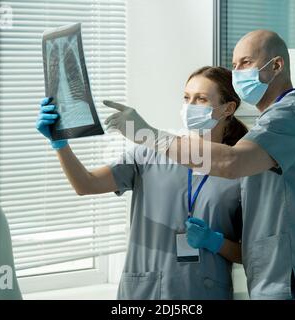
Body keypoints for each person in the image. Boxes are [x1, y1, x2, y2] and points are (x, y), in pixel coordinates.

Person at [103, 30, 295, 300]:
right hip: (281, 279)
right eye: (234, 65)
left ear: (276, 66)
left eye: (245, 63)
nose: (237, 73)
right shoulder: (274, 121)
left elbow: (231, 162)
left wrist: (147, 135)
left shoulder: (291, 115)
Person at [36, 66, 248, 299]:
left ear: (228, 108)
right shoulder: (149, 154)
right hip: (144, 293)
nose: (189, 107)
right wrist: (60, 144)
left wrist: (215, 242)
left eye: (201, 99)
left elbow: (251, 253)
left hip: (203, 292)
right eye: (186, 98)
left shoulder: (238, 170)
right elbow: (86, 184)